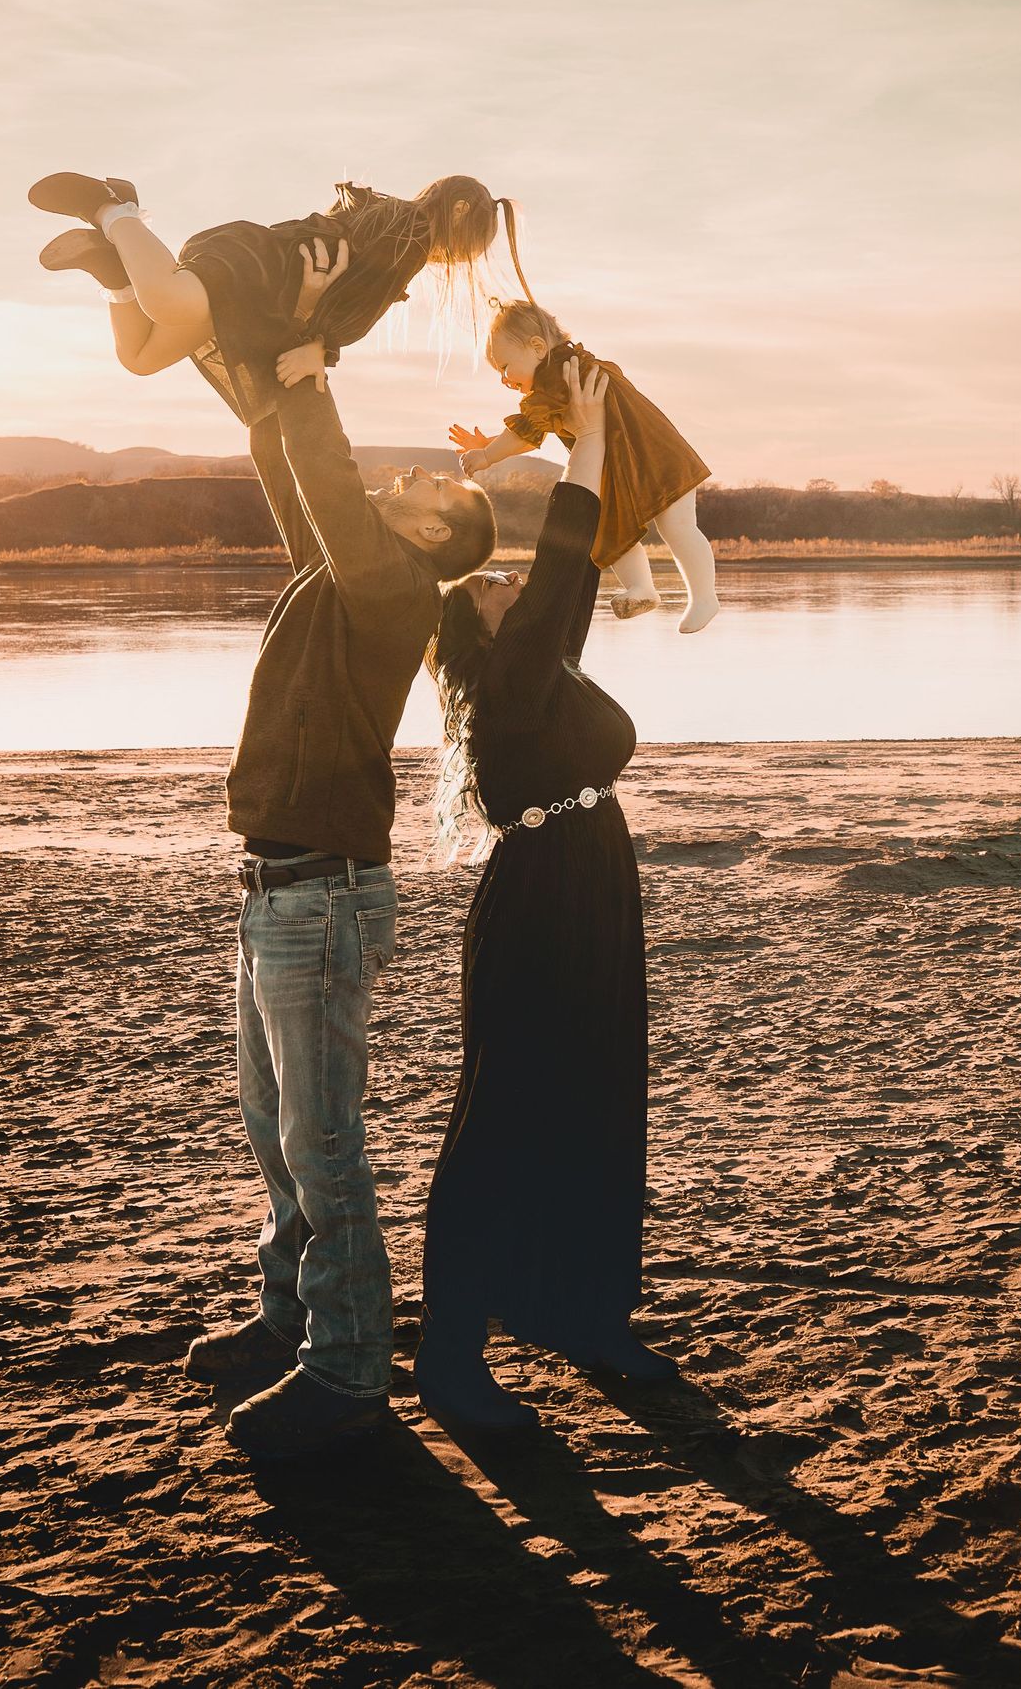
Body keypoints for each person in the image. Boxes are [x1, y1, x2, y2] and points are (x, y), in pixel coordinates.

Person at [181, 241, 500, 1461]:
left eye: (426, 480)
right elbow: (291, 467)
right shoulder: (344, 569)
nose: (412, 472)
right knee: (276, 1135)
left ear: (436, 528)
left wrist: (313, 367)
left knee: (323, 1146)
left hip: (320, 896)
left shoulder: (397, 589)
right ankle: (287, 1317)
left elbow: (321, 465)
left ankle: (352, 1367)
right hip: (278, 887)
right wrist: (273, 352)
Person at [418, 359, 676, 1429]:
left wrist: (596, 434)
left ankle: (583, 1311)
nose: (514, 581)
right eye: (495, 582)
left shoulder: (542, 663)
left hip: (592, 883)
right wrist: (591, 431)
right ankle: (451, 1352)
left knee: (599, 1094)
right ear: (479, 624)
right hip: (543, 900)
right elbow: (570, 545)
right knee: (509, 1112)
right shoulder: (508, 668)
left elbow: (570, 569)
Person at [28, 168, 527, 425]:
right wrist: (323, 346)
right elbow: (357, 312)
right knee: (164, 301)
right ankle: (111, 208)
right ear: (458, 213)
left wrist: (311, 316)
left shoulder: (387, 218)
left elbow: (338, 290)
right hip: (259, 271)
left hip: (263, 292)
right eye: (466, 249)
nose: (454, 261)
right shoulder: (411, 235)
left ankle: (110, 267)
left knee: (140, 357)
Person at [451, 298, 719, 632]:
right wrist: (490, 443)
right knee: (609, 528)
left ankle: (704, 596)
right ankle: (642, 588)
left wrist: (489, 455)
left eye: (504, 367)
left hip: (655, 456)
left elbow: (527, 432)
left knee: (677, 527)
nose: (503, 379)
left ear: (537, 347)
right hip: (628, 464)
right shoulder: (566, 369)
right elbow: (531, 427)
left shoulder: (560, 375)